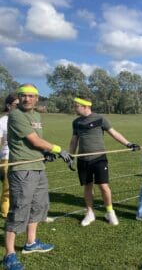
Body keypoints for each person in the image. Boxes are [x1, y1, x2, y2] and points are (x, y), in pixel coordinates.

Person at [3, 84, 73, 270]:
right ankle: (9, 254)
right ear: (19, 98)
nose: (26, 99)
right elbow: (34, 140)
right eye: (23, 96)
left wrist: (45, 153)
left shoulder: (36, 115)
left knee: (39, 206)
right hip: (22, 170)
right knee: (19, 211)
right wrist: (57, 149)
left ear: (36, 98)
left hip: (38, 167)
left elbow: (35, 142)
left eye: (30, 96)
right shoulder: (16, 115)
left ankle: (31, 243)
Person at [69, 96, 140, 227]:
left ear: (85, 106)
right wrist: (70, 156)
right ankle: (90, 212)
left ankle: (109, 211)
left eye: (76, 105)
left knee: (104, 186)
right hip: (83, 159)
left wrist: (129, 144)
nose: (74, 108)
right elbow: (74, 140)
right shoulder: (76, 122)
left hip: (99, 158)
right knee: (88, 186)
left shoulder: (100, 119)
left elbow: (114, 133)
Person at [0, 95, 19, 219]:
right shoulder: (2, 121)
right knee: (7, 187)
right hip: (7, 158)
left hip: (21, 158)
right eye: (16, 104)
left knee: (19, 187)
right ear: (8, 106)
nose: (19, 106)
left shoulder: (21, 119)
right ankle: (5, 213)